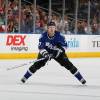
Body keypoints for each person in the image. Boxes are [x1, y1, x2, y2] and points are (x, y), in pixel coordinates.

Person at [21, 21, 86, 85]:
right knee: (37, 64)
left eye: (53, 27)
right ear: (47, 28)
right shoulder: (43, 36)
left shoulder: (60, 36)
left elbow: (65, 46)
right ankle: (25, 77)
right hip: (46, 52)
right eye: (50, 27)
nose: (52, 29)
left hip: (58, 52)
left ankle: (81, 78)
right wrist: (45, 54)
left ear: (55, 28)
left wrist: (57, 53)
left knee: (68, 64)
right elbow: (41, 48)